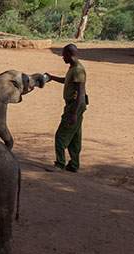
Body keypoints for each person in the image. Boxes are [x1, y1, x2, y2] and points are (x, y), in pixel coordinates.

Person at [46, 43, 88, 173]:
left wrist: (74, 113)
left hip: (74, 106)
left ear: (70, 55)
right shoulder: (73, 68)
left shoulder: (78, 70)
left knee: (60, 136)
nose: (62, 57)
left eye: (64, 55)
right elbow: (67, 81)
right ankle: (74, 164)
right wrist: (52, 77)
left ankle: (60, 164)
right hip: (75, 106)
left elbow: (80, 93)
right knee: (75, 137)